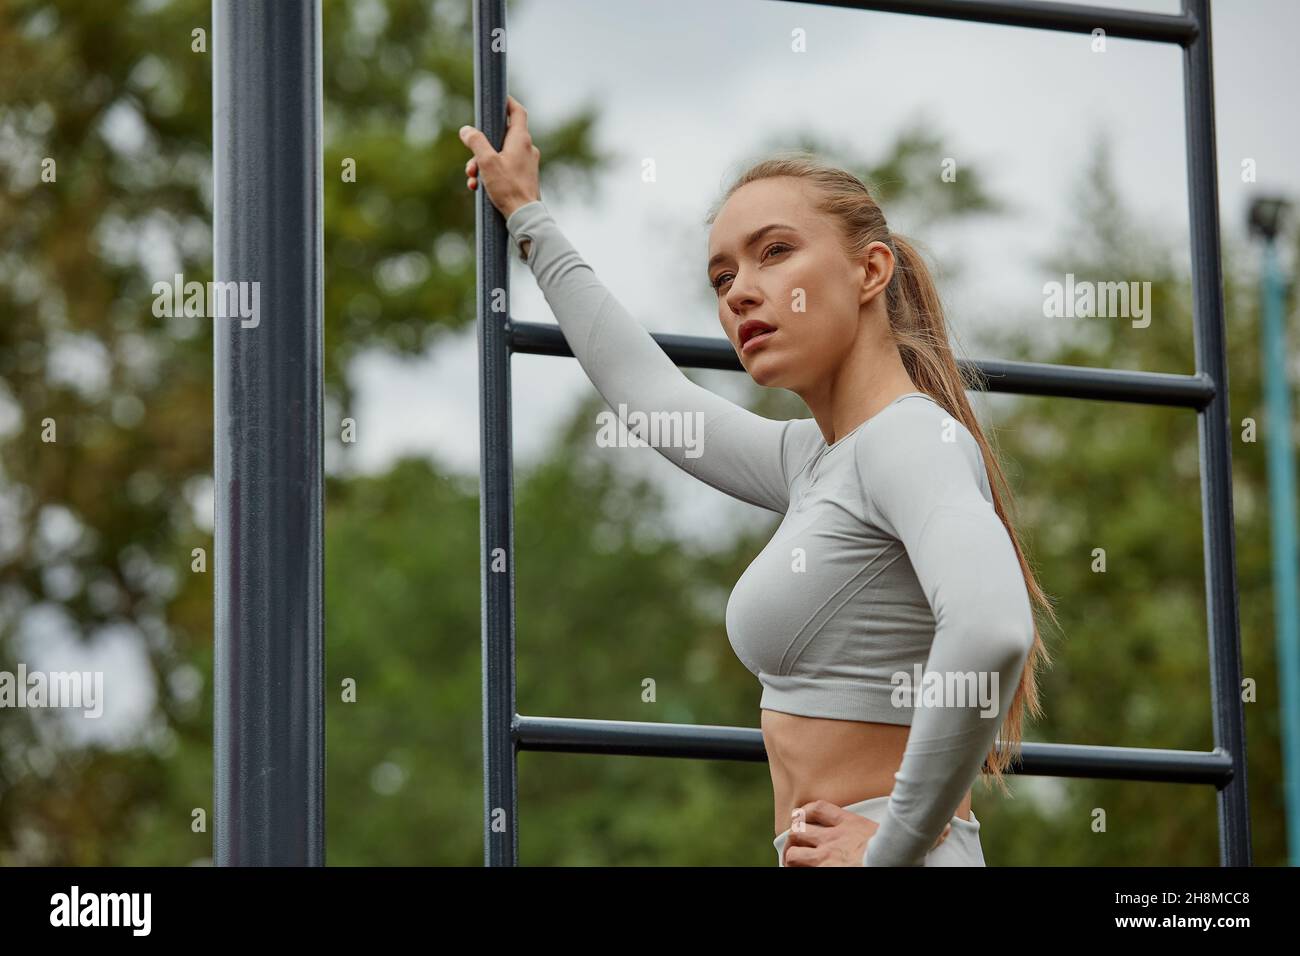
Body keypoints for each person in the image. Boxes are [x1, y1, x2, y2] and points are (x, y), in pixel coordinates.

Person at [459, 96, 1057, 866]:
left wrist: (894, 848)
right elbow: (653, 398)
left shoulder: (908, 438)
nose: (739, 291)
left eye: (775, 252)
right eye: (721, 275)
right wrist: (528, 217)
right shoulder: (816, 462)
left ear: (871, 269)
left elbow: (991, 629)